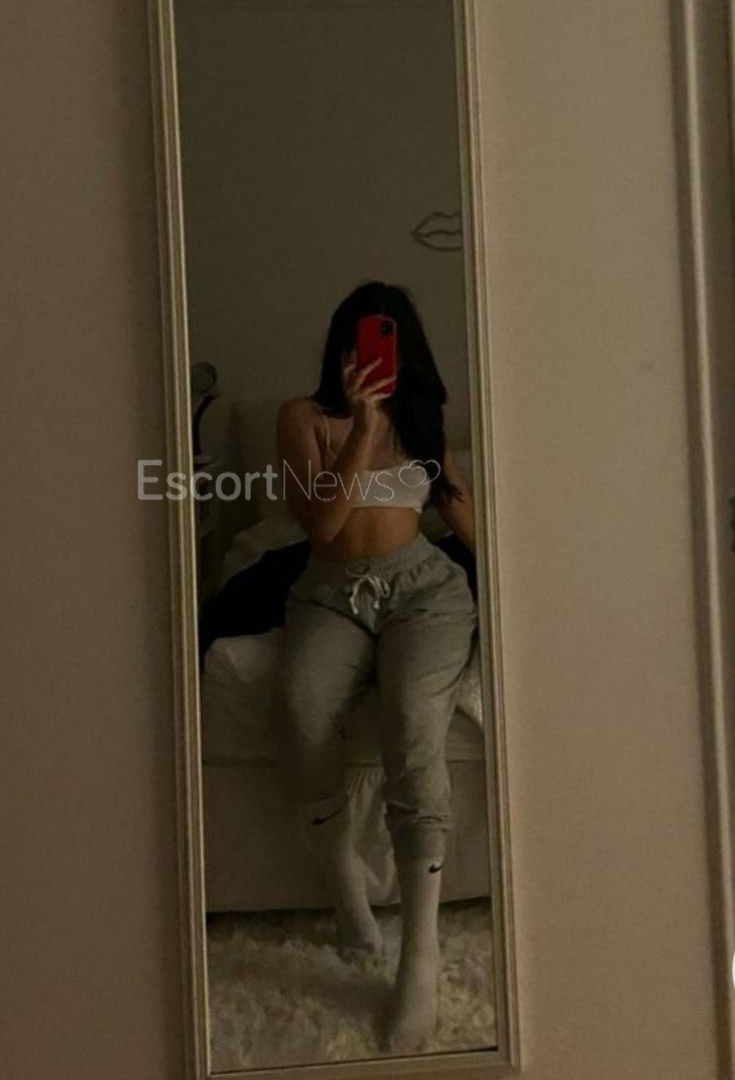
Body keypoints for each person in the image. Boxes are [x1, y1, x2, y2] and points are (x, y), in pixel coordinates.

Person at [272, 280, 478, 1053]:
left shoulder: (422, 422)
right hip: (331, 593)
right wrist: (360, 427)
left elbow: (459, 512)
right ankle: (346, 888)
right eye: (355, 341)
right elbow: (323, 526)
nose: (367, 356)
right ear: (339, 346)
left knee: (412, 722)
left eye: (382, 342)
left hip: (422, 591)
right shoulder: (303, 417)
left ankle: (418, 962)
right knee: (299, 709)